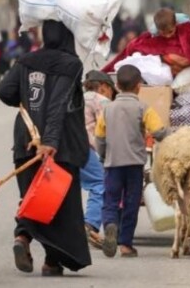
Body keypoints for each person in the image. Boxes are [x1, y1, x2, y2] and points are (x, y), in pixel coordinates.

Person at [0, 20, 91, 277]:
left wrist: (26, 97)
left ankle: (23, 239)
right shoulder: (71, 64)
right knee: (56, 203)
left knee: (32, 198)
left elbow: (4, 90)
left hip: (26, 140)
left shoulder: (27, 60)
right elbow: (58, 104)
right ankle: (51, 262)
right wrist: (49, 142)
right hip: (56, 146)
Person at [95, 65, 168, 258]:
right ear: (138, 87)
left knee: (110, 200)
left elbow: (99, 137)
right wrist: (173, 136)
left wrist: (103, 156)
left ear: (117, 85)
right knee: (131, 203)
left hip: (113, 164)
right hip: (135, 164)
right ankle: (125, 244)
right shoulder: (143, 107)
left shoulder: (108, 109)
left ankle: (110, 223)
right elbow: (159, 132)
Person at [81, 70, 116, 249]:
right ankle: (90, 225)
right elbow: (105, 132)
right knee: (99, 183)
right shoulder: (101, 101)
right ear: (103, 87)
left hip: (61, 147)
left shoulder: (77, 97)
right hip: (84, 148)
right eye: (111, 91)